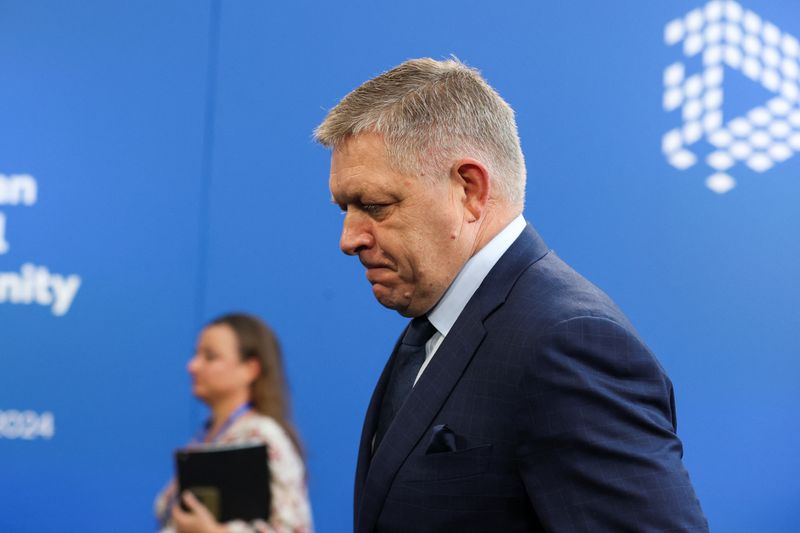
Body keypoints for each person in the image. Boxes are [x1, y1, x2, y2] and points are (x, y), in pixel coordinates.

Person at [315, 58, 708, 532]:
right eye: (345, 208)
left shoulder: (568, 343)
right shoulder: (436, 321)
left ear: (470, 190)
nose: (350, 237)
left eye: (375, 206)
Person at [155, 313, 313, 533]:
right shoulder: (205, 438)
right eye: (196, 355)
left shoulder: (262, 436)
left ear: (251, 368)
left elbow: (293, 528)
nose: (193, 366)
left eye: (210, 357)